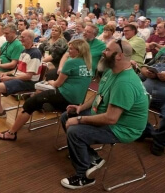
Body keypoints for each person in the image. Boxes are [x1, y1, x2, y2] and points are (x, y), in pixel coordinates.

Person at [60, 40, 148, 189]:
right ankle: (92, 157)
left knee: (75, 131)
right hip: (108, 116)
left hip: (123, 128)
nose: (103, 52)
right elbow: (99, 95)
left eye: (107, 50)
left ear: (119, 56)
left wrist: (80, 120)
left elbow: (111, 118)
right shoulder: (111, 70)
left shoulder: (124, 82)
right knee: (67, 116)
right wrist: (81, 108)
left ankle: (83, 176)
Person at [0, 39, 92, 141]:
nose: (68, 52)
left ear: (79, 51)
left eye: (71, 49)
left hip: (65, 97)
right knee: (39, 94)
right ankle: (43, 105)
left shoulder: (71, 62)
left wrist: (51, 82)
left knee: (29, 104)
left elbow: (57, 84)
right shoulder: (88, 63)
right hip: (78, 100)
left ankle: (11, 133)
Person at [0, 30, 42, 133]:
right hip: (19, 77)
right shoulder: (24, 51)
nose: (20, 39)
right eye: (20, 37)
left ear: (30, 39)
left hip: (28, 82)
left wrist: (10, 78)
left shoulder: (35, 53)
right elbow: (18, 70)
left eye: (23, 37)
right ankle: (0, 111)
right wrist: (7, 74)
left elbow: (29, 76)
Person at [139, 32, 165, 156]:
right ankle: (147, 132)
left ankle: (159, 142)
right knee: (128, 101)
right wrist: (146, 72)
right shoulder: (164, 54)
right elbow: (145, 67)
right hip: (146, 93)